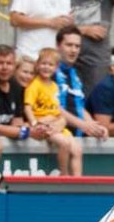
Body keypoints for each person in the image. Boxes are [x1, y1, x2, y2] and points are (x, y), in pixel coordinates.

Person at [24, 48, 85, 176]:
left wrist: (59, 121)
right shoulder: (34, 85)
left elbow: (57, 109)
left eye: (50, 64)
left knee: (77, 149)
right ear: (37, 65)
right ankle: (64, 175)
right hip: (43, 125)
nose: (46, 67)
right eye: (43, 63)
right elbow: (27, 107)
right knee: (64, 143)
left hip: (56, 124)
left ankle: (78, 181)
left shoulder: (54, 86)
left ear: (56, 67)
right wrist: (34, 123)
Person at [0, 44, 46, 142]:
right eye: (0, 63)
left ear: (14, 66)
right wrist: (27, 132)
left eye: (9, 63)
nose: (4, 67)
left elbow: (17, 121)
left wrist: (35, 129)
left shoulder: (16, 86)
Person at [55, 26, 111, 139]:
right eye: (69, 45)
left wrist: (94, 126)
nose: (73, 50)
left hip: (77, 139)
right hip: (57, 140)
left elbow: (79, 105)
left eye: (77, 46)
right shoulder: (49, 71)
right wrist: (83, 125)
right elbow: (52, 108)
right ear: (58, 46)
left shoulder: (75, 75)